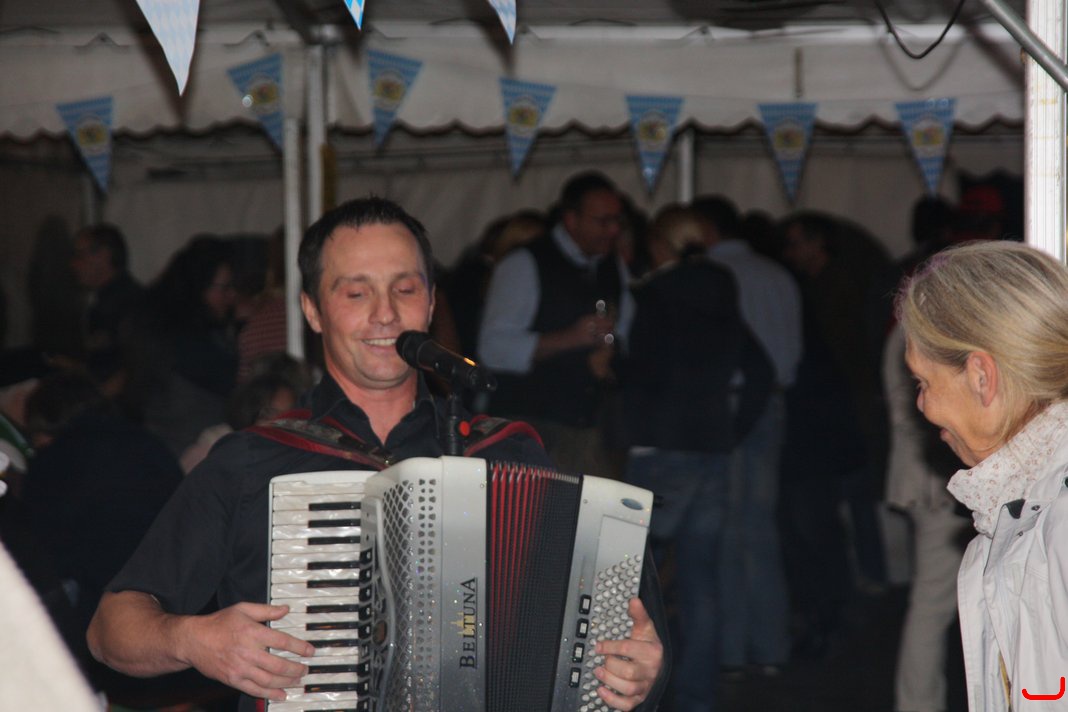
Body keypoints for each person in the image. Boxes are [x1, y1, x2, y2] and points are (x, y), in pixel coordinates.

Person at [87, 197, 666, 712]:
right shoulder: (251, 462)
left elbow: (620, 640)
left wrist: (637, 673)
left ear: (431, 302)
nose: (385, 313)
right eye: (356, 292)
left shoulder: (507, 453)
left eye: (405, 289)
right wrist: (193, 640)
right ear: (313, 310)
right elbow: (110, 628)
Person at [896, 240, 1068, 712]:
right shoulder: (1024, 508)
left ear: (981, 376)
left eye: (924, 382)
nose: (921, 405)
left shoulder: (1058, 524)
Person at [619, 205, 772, 712]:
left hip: (659, 450)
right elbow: (762, 372)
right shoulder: (723, 294)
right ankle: (696, 698)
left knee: (634, 580)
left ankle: (640, 695)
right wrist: (731, 430)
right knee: (701, 580)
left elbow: (638, 372)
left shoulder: (653, 296)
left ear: (661, 244)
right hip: (710, 449)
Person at [692, 195, 801, 677]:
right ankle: (770, 647)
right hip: (773, 403)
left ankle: (734, 652)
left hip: (731, 404)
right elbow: (792, 352)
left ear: (707, 228)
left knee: (731, 531)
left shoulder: (712, 275)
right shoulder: (778, 274)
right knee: (760, 527)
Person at [478, 171, 634, 478]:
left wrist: (611, 353)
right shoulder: (524, 263)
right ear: (571, 220)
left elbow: (626, 331)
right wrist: (571, 338)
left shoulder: (613, 266)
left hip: (590, 427)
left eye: (617, 221)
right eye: (602, 221)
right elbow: (493, 348)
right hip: (532, 427)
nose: (613, 230)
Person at [70, 223, 145, 387]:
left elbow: (136, 364)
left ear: (104, 255)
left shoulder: (127, 303)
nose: (74, 264)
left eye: (79, 256)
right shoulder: (109, 300)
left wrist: (101, 395)